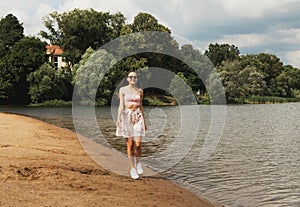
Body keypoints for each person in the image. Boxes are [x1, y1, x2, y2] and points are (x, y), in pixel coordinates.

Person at [116, 71, 146, 179]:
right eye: (131, 77)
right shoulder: (122, 90)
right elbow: (121, 105)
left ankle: (138, 163)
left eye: (135, 77)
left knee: (138, 144)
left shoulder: (140, 91)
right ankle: (132, 168)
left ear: (137, 79)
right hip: (127, 116)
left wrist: (145, 121)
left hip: (137, 116)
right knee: (130, 144)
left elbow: (141, 106)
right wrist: (118, 118)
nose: (133, 78)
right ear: (127, 79)